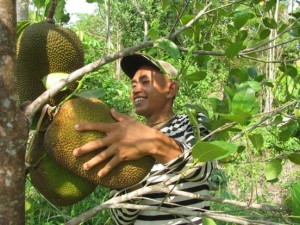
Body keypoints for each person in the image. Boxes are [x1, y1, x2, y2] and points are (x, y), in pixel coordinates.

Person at [72, 53, 214, 225]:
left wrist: (151, 142)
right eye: (133, 85)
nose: (136, 89)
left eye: (146, 82)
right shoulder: (124, 140)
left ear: (171, 89)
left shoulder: (192, 122)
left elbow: (203, 168)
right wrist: (134, 182)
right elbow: (121, 219)